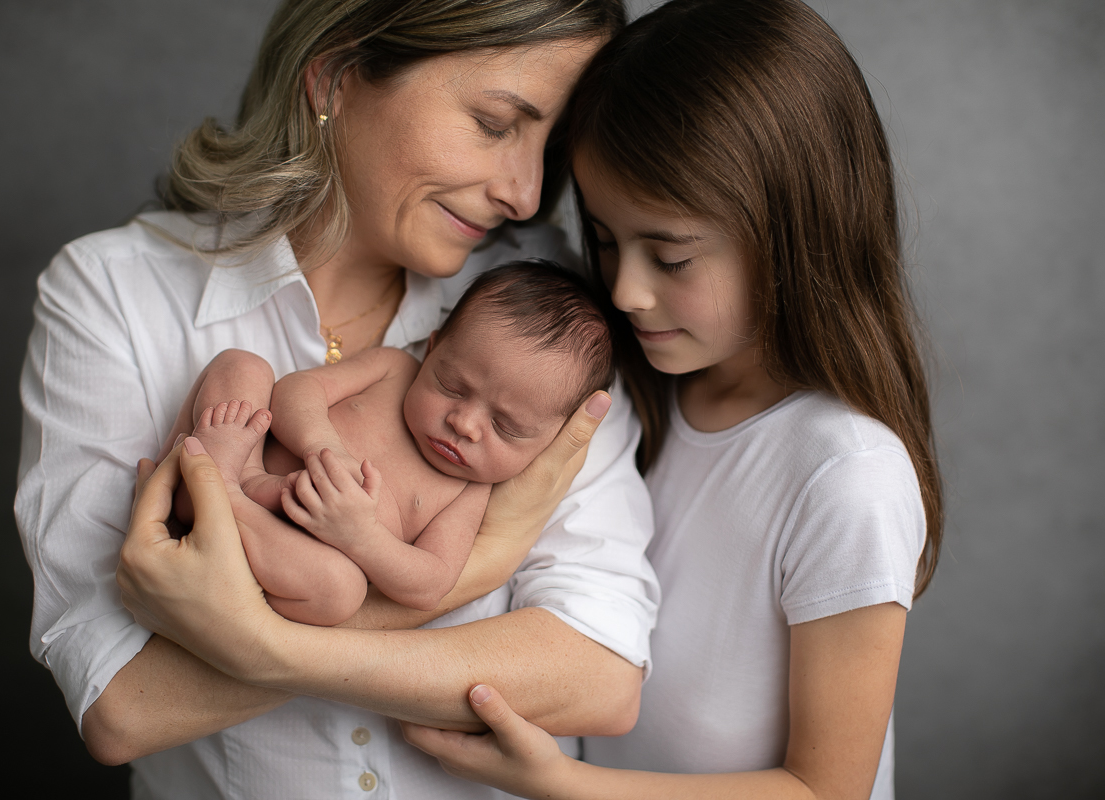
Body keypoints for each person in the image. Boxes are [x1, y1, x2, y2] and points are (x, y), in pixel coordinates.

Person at [15, 1, 660, 798]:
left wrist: (262, 643)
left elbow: (600, 674)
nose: (526, 194)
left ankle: (225, 500)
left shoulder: (547, 319)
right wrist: (485, 562)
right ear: (336, 75)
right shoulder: (114, 293)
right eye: (495, 124)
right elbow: (124, 706)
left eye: (550, 146)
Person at [401, 1, 944, 798]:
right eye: (606, 239)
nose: (624, 290)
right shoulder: (626, 387)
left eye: (672, 257)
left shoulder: (848, 476)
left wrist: (561, 783)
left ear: (793, 232)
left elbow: (826, 789)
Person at [171, 262, 614, 626]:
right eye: (452, 386)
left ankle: (222, 499)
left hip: (282, 552)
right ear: (432, 349)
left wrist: (360, 537)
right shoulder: (395, 368)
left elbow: (431, 583)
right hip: (243, 460)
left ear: (550, 443)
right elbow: (296, 390)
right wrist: (322, 445)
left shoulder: (468, 492)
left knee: (341, 590)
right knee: (242, 366)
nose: (464, 424)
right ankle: (235, 482)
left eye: (506, 427)